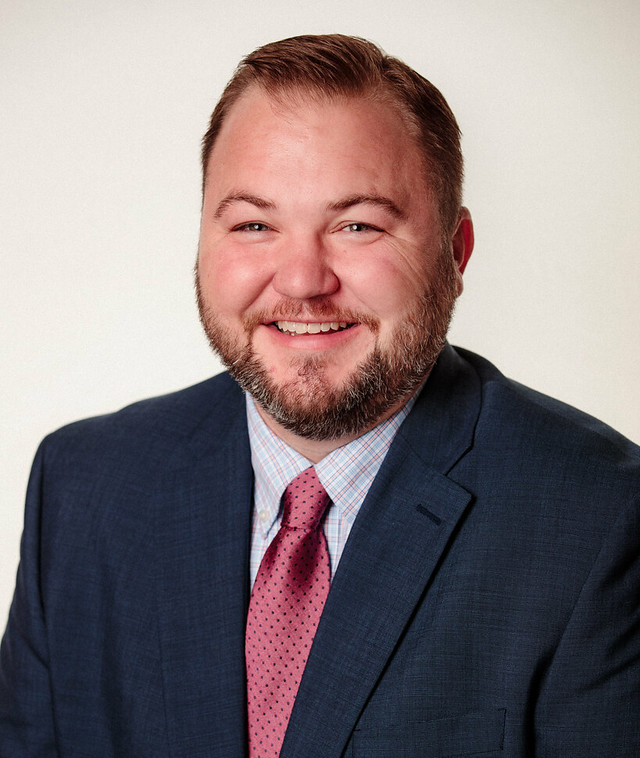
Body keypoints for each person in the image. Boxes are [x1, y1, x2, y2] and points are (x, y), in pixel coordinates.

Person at [0, 33, 638, 758]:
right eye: (254, 225)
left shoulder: (600, 521)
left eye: (357, 225)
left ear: (455, 253)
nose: (303, 280)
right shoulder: (80, 489)